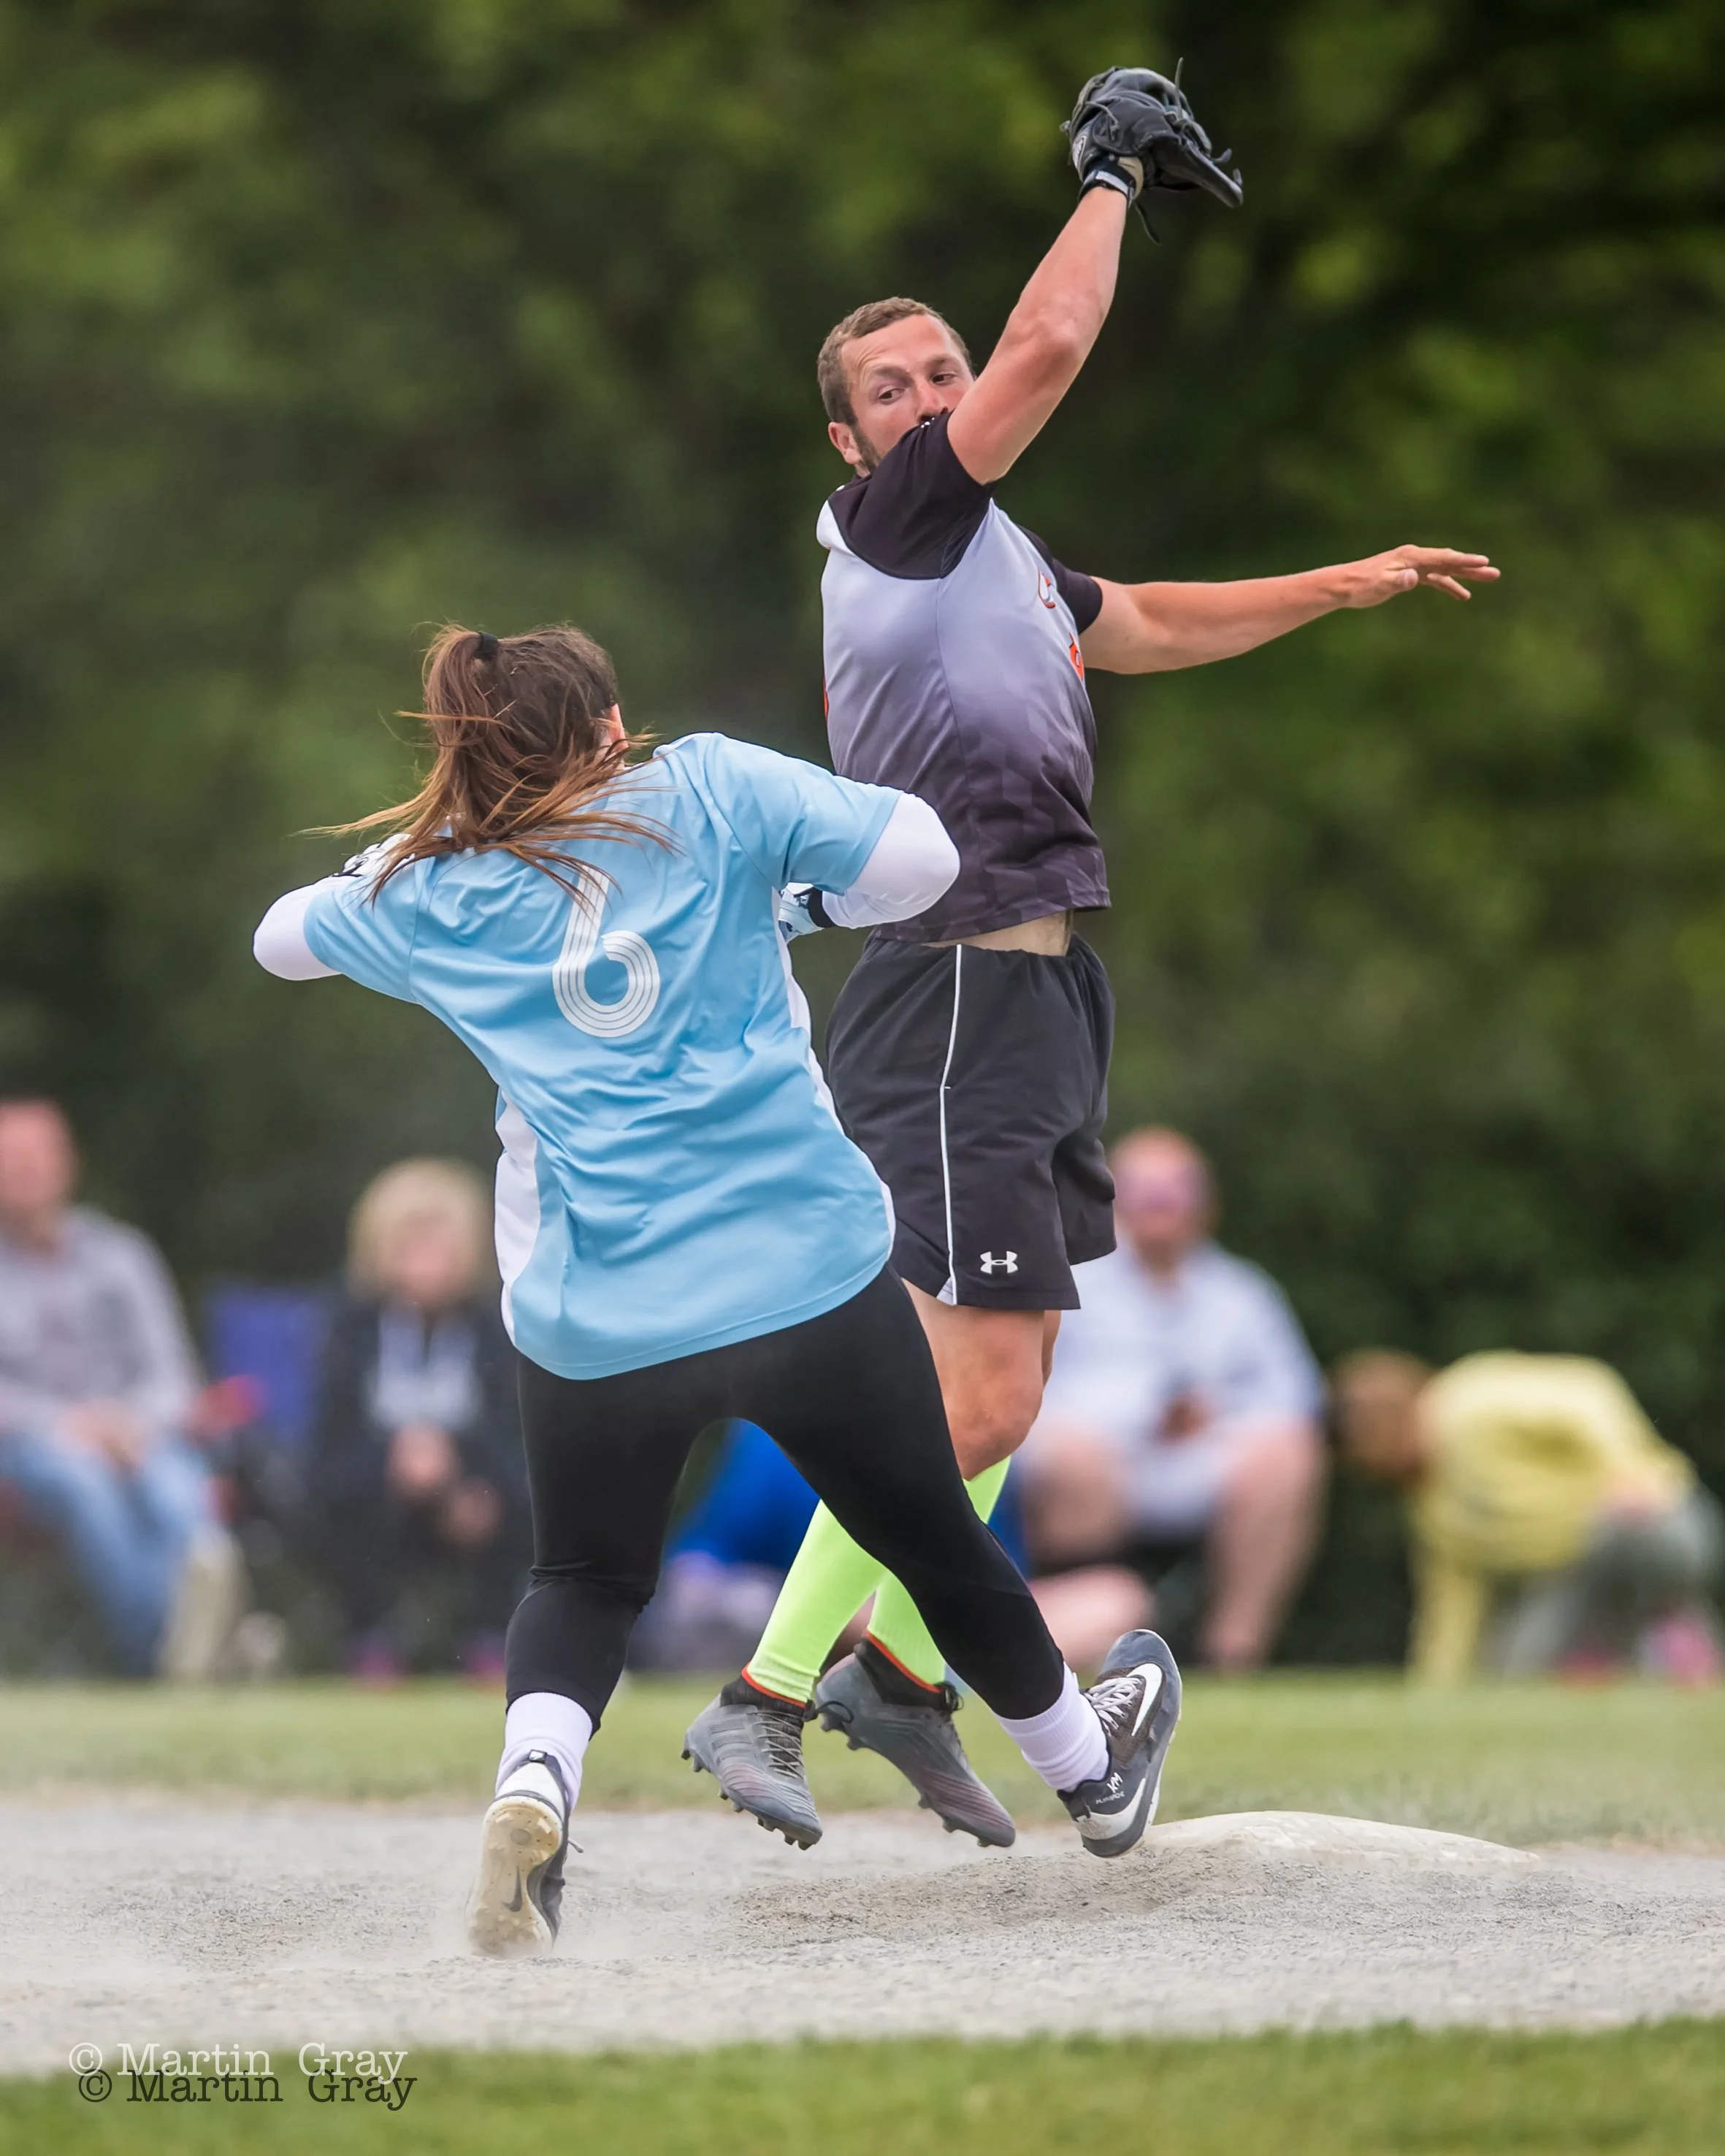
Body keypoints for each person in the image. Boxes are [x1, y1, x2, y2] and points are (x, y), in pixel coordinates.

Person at [724, 64, 1498, 1838]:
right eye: (895, 385)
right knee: (970, 1395)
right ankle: (771, 1691)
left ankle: (891, 1667)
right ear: (850, 443)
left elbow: (1135, 620)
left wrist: (1336, 583)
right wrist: (1108, 177)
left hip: (1031, 984)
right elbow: (1053, 344)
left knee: (994, 1393)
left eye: (941, 368)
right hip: (951, 987)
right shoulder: (897, 516)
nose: (934, 394)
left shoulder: (989, 549)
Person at [254, 622, 1183, 1960]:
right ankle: (1090, 1776)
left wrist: (432, 847)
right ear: (610, 728)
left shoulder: (437, 892)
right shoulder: (705, 784)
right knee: (934, 1536)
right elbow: (922, 860)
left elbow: (279, 942)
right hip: (801, 1272)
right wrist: (791, 901)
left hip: (598, 1312)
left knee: (582, 1577)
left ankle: (534, 1789)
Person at [1020, 1129, 1326, 1673]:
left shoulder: (1242, 1293)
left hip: (1199, 1462)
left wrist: (1216, 1415)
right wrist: (1141, 1416)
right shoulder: (1064, 1281)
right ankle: (1087, 1632)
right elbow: (1026, 1389)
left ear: (1206, 1205)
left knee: (1290, 1453)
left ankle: (1233, 1654)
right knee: (1071, 1452)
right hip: (1089, 1462)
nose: (1160, 1209)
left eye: (1174, 1193)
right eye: (1146, 1193)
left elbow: (1296, 1397)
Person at [0, 1097, 243, 1678]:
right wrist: (65, 1426)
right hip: (28, 1448)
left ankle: (196, 1623)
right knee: (86, 1486)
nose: (26, 1169)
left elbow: (171, 1371)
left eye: (37, 1154)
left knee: (176, 1487)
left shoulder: (123, 1256)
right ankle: (172, 1648)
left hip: (139, 1435)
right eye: (11, 1157)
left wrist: (129, 1426)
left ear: (68, 1163)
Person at [1333, 1349, 1724, 1681]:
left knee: (1637, 1538)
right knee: (1516, 1675)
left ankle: (1669, 1636)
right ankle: (1607, 1658)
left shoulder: (1468, 1402)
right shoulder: (1430, 1506)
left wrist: (1628, 1471)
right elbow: (1453, 1608)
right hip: (1566, 1577)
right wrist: (1436, 1688)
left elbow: (1588, 1394)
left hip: (1650, 1519)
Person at [303, 1158, 530, 1680]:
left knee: (516, 1498)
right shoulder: (349, 1326)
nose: (426, 1261)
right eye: (412, 1244)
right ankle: (368, 1637)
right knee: (342, 1501)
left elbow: (512, 1434)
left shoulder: (496, 1327)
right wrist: (398, 1459)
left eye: (439, 1244)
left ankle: (489, 1634)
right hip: (373, 1493)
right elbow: (328, 1442)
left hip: (472, 1492)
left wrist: (459, 1469)